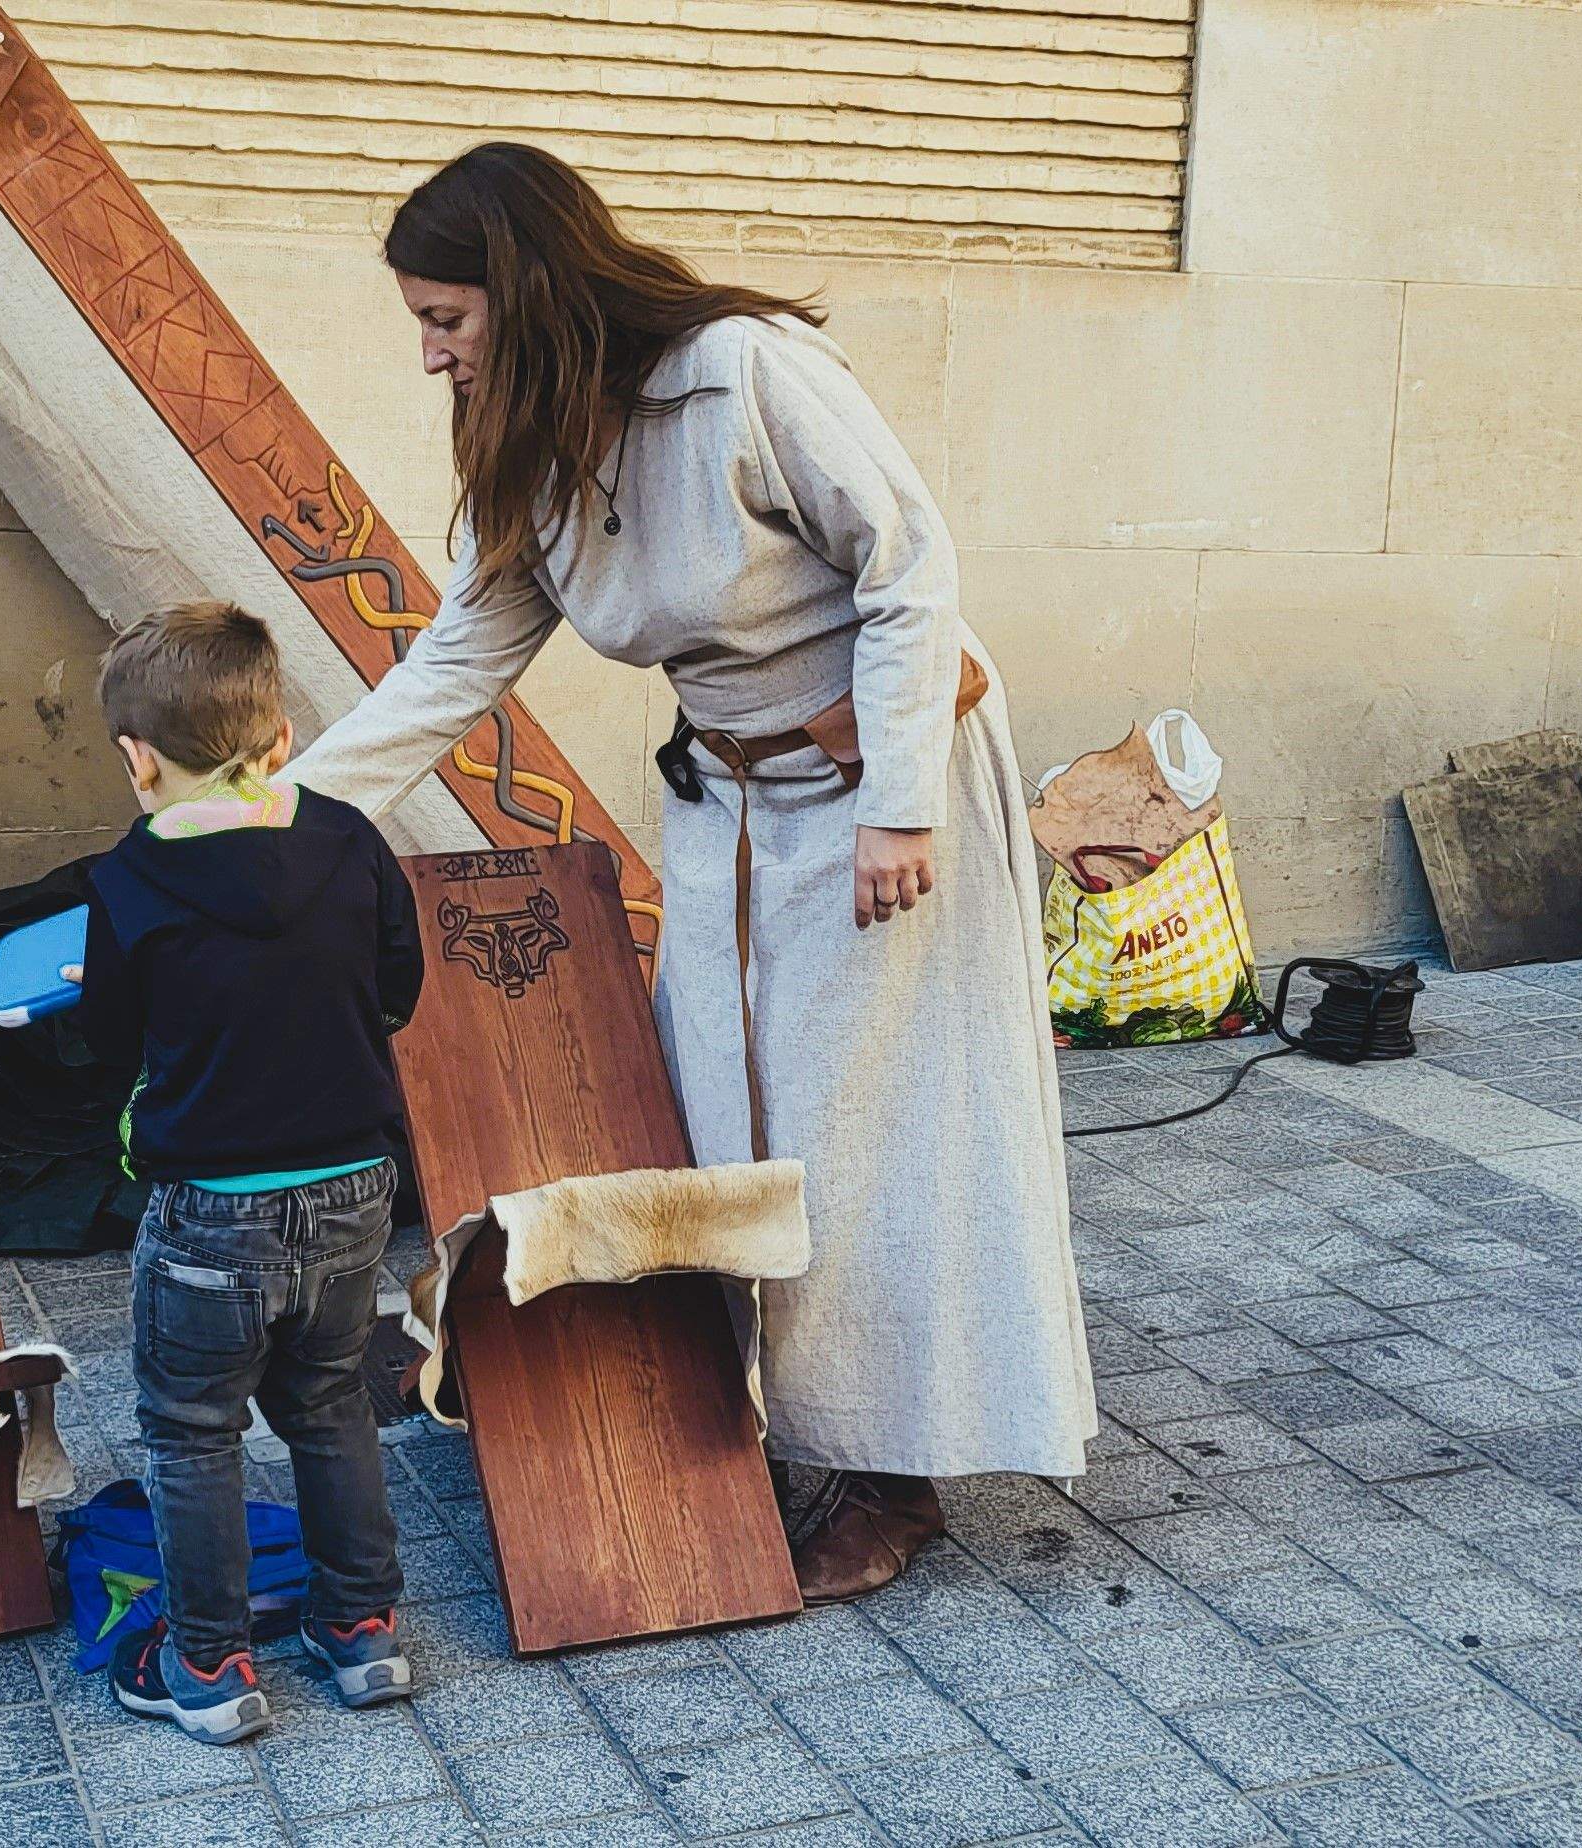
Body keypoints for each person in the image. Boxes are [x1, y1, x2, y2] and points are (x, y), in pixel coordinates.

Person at [283, 143, 1096, 1602]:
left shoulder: (745, 371)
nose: (429, 355)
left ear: (523, 296)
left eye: (446, 321)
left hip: (885, 785)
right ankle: (761, 1409)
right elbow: (459, 658)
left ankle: (889, 1471)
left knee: (860, 1127)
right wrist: (279, 815)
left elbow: (911, 571)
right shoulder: (534, 447)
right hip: (728, 797)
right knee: (716, 1111)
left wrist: (899, 808)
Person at [75, 599, 423, 1743]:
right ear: (278, 739)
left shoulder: (125, 882)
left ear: (135, 760)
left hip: (209, 1214)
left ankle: (211, 1663)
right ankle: (362, 1631)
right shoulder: (349, 840)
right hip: (353, 1190)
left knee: (190, 1430)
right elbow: (396, 991)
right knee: (327, 1404)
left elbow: (112, 1045)